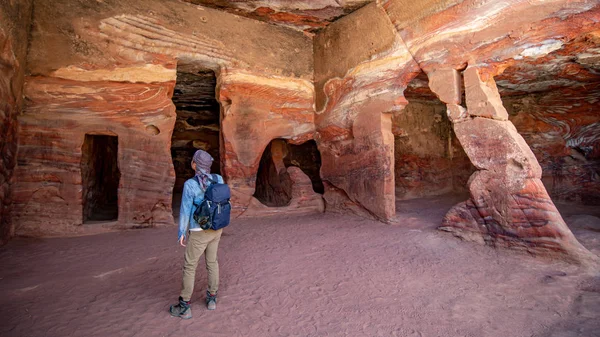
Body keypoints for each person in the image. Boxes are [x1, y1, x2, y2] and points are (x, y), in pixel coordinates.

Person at [170, 149, 225, 319]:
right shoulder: (218, 179)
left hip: (198, 231)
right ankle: (212, 299)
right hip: (217, 228)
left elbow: (186, 210)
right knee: (212, 262)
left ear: (195, 164)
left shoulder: (190, 184)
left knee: (190, 266)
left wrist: (181, 232)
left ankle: (184, 306)